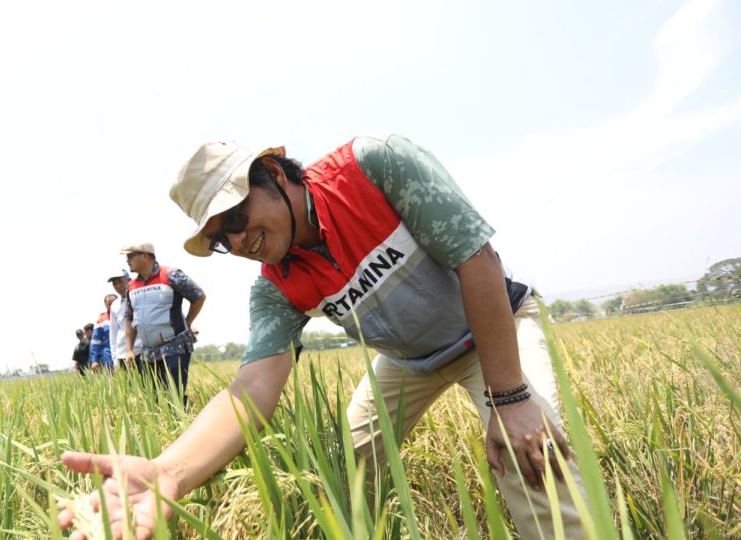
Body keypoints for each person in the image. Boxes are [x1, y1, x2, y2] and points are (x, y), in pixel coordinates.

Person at [59, 135, 588, 539]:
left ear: (271, 172)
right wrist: (165, 471)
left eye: (237, 216)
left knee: (534, 457)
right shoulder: (276, 287)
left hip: (493, 328)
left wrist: (510, 396)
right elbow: (251, 391)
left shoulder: (374, 167)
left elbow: (478, 261)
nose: (240, 241)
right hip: (408, 360)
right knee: (351, 461)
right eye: (222, 238)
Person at [120, 242, 206, 405]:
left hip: (175, 347)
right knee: (152, 399)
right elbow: (129, 318)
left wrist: (187, 323)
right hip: (148, 353)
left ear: (145, 256)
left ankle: (185, 427)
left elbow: (198, 296)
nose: (127, 260)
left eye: (131, 256)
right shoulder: (131, 286)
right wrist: (129, 349)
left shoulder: (171, 275)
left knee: (174, 397)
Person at [107, 268, 143, 370]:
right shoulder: (114, 305)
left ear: (129, 280)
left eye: (120, 282)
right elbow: (113, 333)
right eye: (114, 283)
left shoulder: (138, 297)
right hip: (123, 354)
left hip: (141, 350)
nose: (118, 286)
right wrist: (114, 358)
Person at [90, 295, 118, 372]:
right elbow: (96, 341)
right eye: (109, 304)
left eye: (114, 303)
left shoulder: (126, 313)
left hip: (126, 350)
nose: (112, 306)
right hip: (108, 354)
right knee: (112, 378)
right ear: (105, 305)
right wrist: (94, 360)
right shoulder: (101, 320)